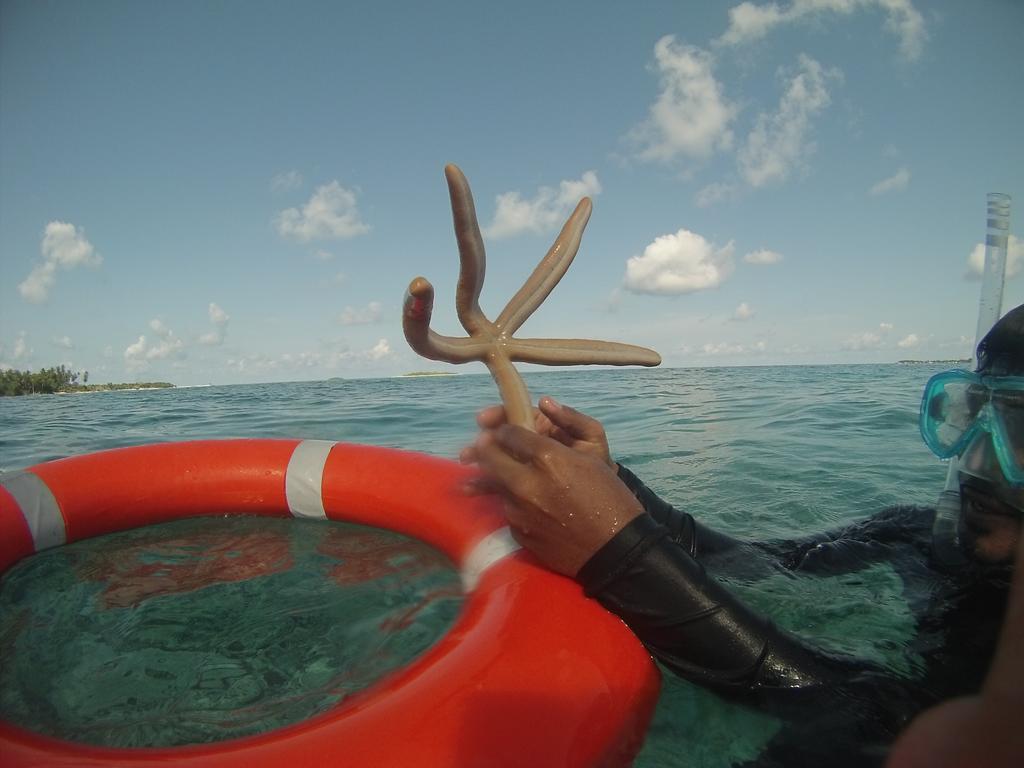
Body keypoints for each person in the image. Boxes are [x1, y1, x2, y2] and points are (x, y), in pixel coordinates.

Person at [462, 302, 1024, 766]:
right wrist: (615, 488)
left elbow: (887, 723)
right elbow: (765, 565)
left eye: (1018, 425)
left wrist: (619, 554)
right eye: (974, 412)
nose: (978, 458)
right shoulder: (918, 531)